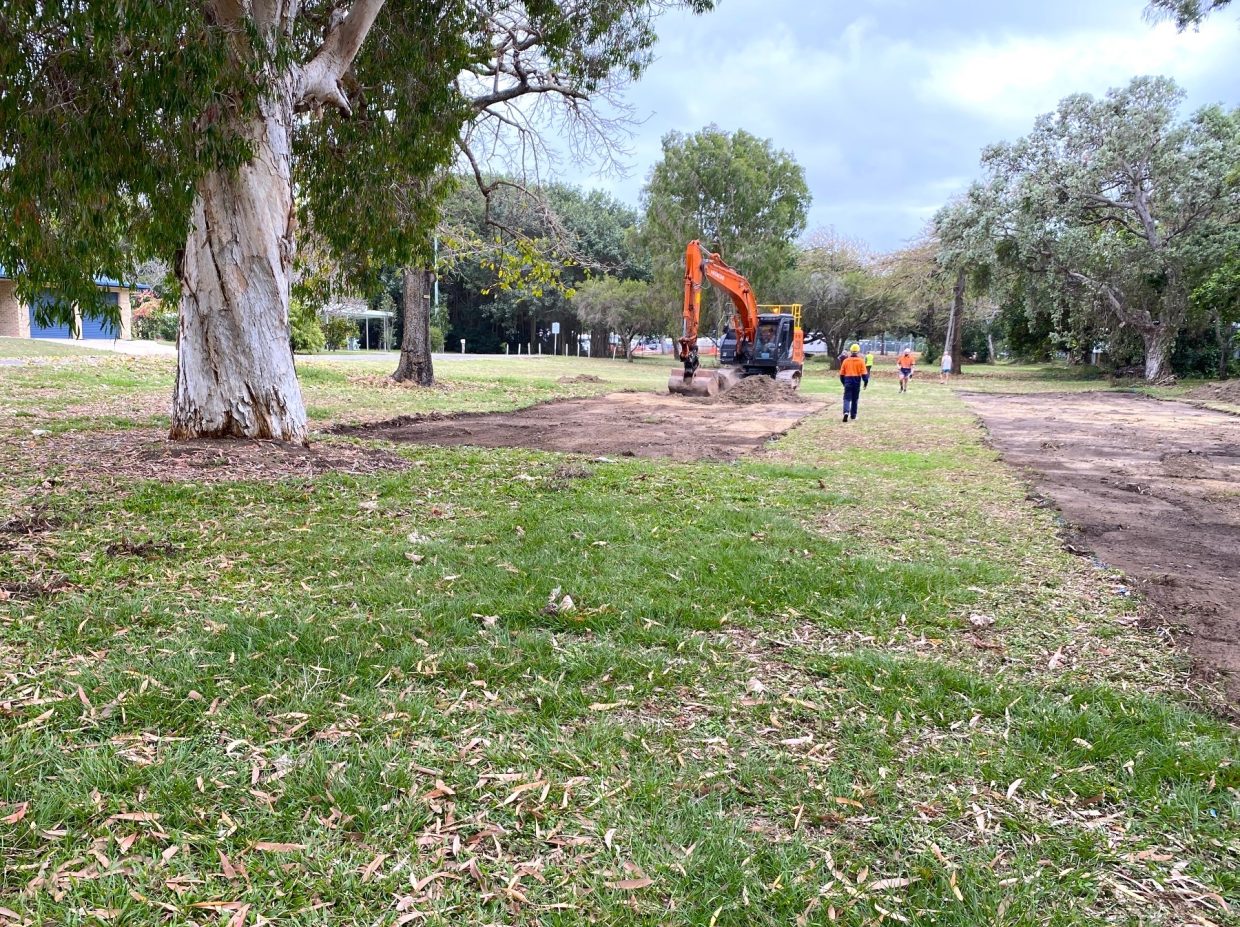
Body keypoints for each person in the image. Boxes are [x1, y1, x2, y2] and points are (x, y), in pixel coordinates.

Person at [839, 343, 869, 422]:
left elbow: (841, 374)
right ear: (858, 352)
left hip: (848, 380)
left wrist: (844, 383)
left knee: (846, 398)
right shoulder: (861, 361)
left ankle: (846, 412)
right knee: (855, 399)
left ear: (850, 351)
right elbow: (864, 374)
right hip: (856, 380)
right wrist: (865, 383)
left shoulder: (845, 361)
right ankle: (853, 415)